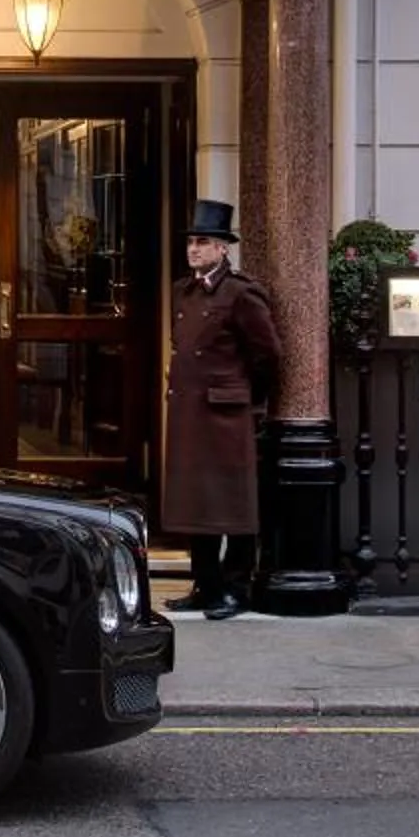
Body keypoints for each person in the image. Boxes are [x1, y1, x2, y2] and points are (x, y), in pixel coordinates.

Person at [160, 198, 280, 620]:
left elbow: (267, 355)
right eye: (191, 242)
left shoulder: (241, 294)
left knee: (233, 502)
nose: (193, 249)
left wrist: (247, 398)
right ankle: (205, 585)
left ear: (222, 248)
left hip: (226, 413)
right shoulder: (183, 290)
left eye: (202, 242)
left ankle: (235, 588)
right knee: (197, 501)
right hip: (189, 412)